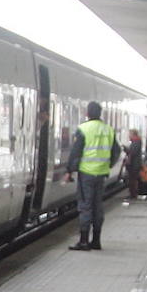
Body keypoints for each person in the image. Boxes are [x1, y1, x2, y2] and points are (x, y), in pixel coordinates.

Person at [64, 100, 118, 250]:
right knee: (97, 206)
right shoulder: (108, 129)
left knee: (85, 206)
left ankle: (83, 241)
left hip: (86, 173)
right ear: (100, 113)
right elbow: (116, 151)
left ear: (87, 113)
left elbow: (76, 152)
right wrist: (108, 165)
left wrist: (69, 171)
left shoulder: (83, 129)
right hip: (101, 174)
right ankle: (96, 240)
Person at [122, 128, 143, 202]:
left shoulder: (136, 141)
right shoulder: (136, 141)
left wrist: (125, 149)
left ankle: (133, 195)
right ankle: (132, 194)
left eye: (130, 134)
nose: (129, 136)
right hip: (134, 164)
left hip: (134, 164)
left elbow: (133, 152)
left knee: (133, 180)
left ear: (133, 134)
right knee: (132, 180)